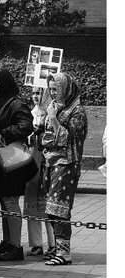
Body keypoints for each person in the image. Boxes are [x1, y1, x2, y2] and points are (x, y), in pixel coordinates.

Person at [0, 68, 37, 262]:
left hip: (12, 160)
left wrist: (4, 133)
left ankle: (16, 246)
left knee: (11, 202)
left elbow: (26, 125)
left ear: (4, 85)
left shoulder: (15, 103)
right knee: (4, 201)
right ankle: (7, 242)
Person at [38, 72, 89, 266]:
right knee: (51, 207)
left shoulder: (77, 112)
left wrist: (53, 118)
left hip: (67, 163)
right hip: (50, 161)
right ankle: (57, 248)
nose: (53, 94)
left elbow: (71, 138)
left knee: (59, 208)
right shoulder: (56, 107)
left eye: (55, 90)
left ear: (65, 90)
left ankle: (64, 253)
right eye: (50, 90)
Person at [23, 86, 56, 257]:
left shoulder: (53, 112)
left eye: (40, 93)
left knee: (48, 205)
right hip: (32, 161)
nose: (36, 96)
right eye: (34, 93)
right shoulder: (30, 113)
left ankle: (53, 244)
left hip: (45, 162)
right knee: (31, 203)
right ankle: (36, 244)